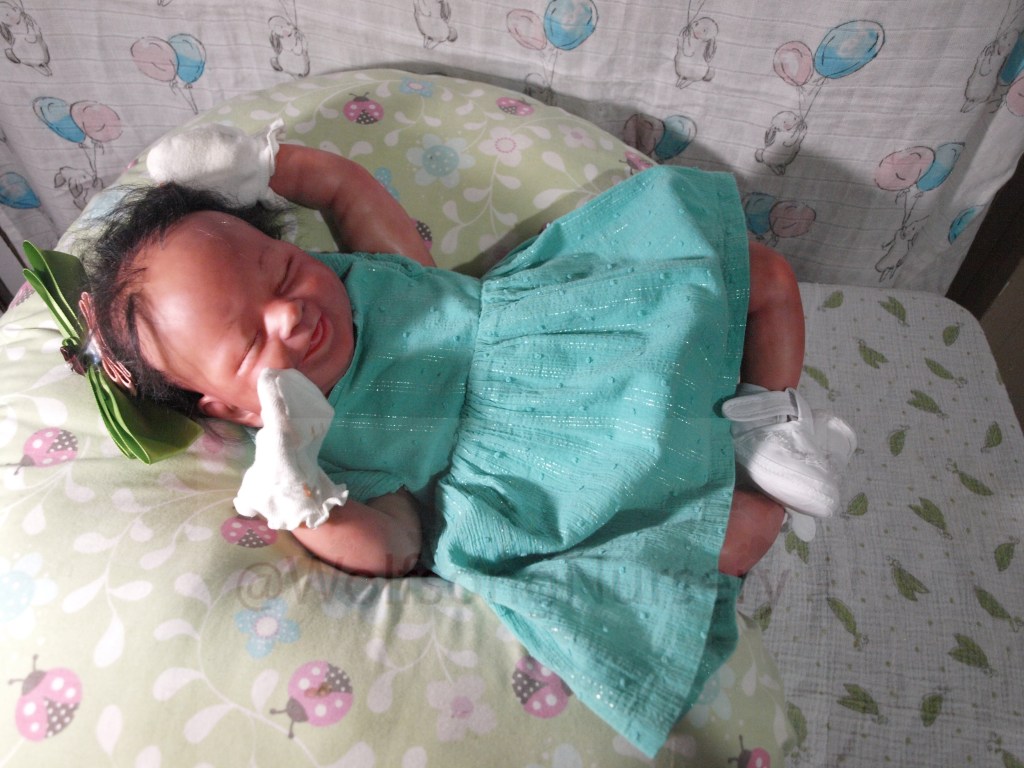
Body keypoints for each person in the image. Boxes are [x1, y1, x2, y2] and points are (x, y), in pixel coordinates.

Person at [83, 124, 849, 755]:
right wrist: (305, 496)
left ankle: (767, 420)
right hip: (541, 478)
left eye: (284, 271)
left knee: (762, 276)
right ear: (228, 405)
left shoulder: (366, 279)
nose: (289, 313)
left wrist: (257, 165)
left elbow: (344, 187)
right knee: (745, 532)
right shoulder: (314, 439)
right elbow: (394, 546)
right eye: (252, 342)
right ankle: (735, 481)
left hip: (563, 330)